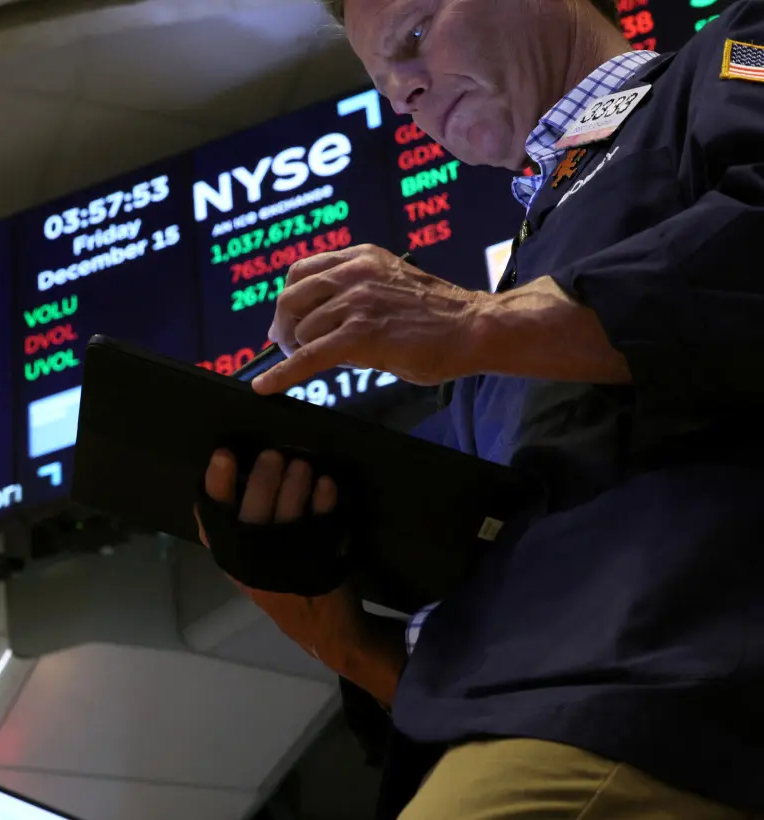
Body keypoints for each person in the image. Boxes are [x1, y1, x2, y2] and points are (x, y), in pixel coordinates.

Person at [197, 0, 764, 816]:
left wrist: (477, 324)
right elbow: (526, 652)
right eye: (391, 87)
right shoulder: (497, 335)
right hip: (561, 731)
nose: (406, 93)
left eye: (416, 38)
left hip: (665, 716)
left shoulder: (729, 54)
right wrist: (343, 639)